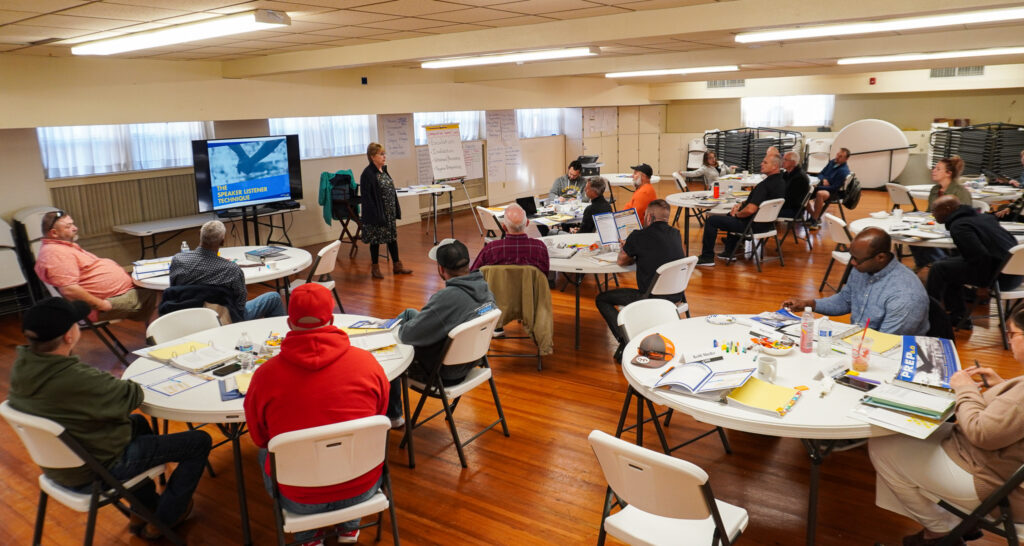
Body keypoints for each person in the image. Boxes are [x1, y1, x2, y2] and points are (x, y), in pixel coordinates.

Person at [8, 297, 212, 541]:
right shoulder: (74, 377)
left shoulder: (22, 365)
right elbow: (132, 396)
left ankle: (144, 509)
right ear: (69, 336)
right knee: (199, 441)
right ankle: (166, 518)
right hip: (95, 468)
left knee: (139, 424)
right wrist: (106, 383)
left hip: (60, 464)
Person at [868, 302, 1024, 546]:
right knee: (907, 435)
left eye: (1012, 334)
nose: (1009, 339)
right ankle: (946, 523)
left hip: (994, 482)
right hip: (1000, 466)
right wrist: (1002, 386)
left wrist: (965, 389)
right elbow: (1015, 414)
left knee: (882, 447)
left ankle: (940, 531)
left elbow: (982, 433)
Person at [244, 284, 388, 545]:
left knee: (266, 452)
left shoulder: (265, 376)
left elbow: (260, 437)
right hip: (362, 488)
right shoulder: (367, 363)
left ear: (289, 322)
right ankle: (349, 526)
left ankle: (308, 536)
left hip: (300, 499)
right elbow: (380, 415)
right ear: (331, 320)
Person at [387, 239, 497, 424]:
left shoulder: (447, 299)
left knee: (390, 348)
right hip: (471, 361)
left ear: (441, 269)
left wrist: (399, 331)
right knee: (409, 314)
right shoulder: (484, 288)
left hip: (442, 373)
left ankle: (394, 414)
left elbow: (407, 336)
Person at [783, 227, 929, 335]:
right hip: (860, 341)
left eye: (857, 259)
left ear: (881, 257)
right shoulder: (863, 267)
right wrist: (807, 304)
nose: (852, 263)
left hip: (888, 351)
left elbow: (886, 343)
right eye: (851, 256)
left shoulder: (905, 296)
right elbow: (845, 301)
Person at [595, 199, 685, 363]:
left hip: (650, 297)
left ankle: (625, 340)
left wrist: (627, 246)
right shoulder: (676, 234)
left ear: (649, 217)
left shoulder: (639, 236)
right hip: (677, 295)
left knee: (602, 299)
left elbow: (621, 261)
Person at [33, 209, 157, 323]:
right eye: (68, 226)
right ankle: (157, 338)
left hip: (114, 296)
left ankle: (155, 334)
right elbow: (69, 290)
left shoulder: (61, 247)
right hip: (102, 305)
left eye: (73, 224)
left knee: (152, 285)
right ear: (54, 233)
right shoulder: (55, 253)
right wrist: (102, 305)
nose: (75, 228)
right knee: (159, 293)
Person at [927, 195, 1021, 331]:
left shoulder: (959, 227)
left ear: (947, 209)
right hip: (1015, 275)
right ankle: (958, 315)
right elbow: (1010, 242)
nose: (933, 214)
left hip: (1000, 279)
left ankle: (931, 313)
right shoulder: (983, 217)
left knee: (938, 269)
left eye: (934, 210)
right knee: (946, 265)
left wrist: (984, 286)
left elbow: (981, 257)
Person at [170, 220, 285, 321]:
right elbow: (240, 306)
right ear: (222, 242)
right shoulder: (231, 270)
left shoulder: (178, 260)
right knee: (273, 298)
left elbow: (174, 291)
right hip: (223, 321)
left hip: (188, 318)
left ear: (199, 234)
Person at [696, 153, 786, 266]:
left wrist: (737, 214)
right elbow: (758, 202)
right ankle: (729, 251)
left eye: (765, 162)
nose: (761, 164)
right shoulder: (781, 183)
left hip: (751, 226)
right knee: (729, 214)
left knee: (711, 221)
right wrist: (741, 204)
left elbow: (750, 210)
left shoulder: (764, 185)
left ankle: (707, 257)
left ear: (775, 166)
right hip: (767, 225)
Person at [910, 157, 973, 270]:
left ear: (948, 173)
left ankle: (943, 265)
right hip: (934, 227)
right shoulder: (935, 189)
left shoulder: (961, 192)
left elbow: (966, 217)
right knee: (913, 236)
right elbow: (929, 212)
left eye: (938, 169)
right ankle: (932, 263)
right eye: (934, 168)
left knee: (923, 242)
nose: (933, 170)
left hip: (953, 230)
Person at [360, 142, 412, 280]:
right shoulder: (368, 174)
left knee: (392, 238)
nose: (384, 156)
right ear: (372, 157)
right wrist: (375, 215)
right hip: (376, 214)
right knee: (375, 241)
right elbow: (367, 197)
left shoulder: (383, 170)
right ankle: (375, 268)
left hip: (389, 212)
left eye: (384, 154)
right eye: (381, 154)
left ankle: (397, 266)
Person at [470, 203, 549, 274]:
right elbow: (544, 275)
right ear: (527, 223)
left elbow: (473, 274)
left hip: (497, 290)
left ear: (504, 227)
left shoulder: (491, 249)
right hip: (530, 290)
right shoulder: (540, 247)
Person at [806, 147, 851, 224]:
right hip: (823, 186)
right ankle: (814, 216)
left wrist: (818, 187)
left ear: (846, 159)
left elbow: (834, 188)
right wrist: (823, 179)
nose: (837, 157)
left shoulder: (843, 171)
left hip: (833, 192)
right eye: (837, 154)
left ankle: (814, 219)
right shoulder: (832, 162)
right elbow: (821, 173)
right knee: (803, 191)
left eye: (840, 157)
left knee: (820, 193)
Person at [991, 150, 1024, 219]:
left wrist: (1020, 185)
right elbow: (1022, 197)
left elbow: (1021, 185)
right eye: (1022, 159)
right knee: (991, 216)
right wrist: (1009, 208)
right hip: (1018, 210)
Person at [780, 150, 810, 218]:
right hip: (787, 206)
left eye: (785, 159)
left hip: (793, 211)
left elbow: (791, 200)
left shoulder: (799, 178)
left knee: (762, 212)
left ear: (793, 162)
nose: (782, 161)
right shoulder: (788, 173)